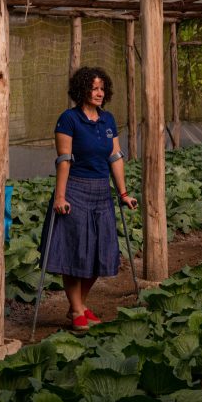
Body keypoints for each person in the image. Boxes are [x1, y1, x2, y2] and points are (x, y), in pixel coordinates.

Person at [40, 66, 137, 331]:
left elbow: (115, 157)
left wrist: (124, 193)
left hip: (101, 192)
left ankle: (78, 306)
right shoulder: (68, 119)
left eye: (102, 88)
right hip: (75, 190)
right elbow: (64, 160)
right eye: (94, 88)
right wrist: (60, 196)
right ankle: (77, 309)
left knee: (99, 252)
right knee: (75, 253)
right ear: (83, 90)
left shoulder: (108, 120)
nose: (99, 93)